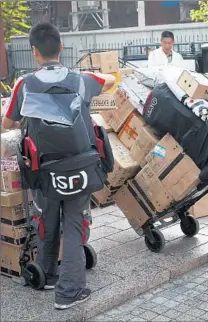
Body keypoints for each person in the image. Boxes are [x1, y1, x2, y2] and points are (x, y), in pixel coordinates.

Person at [2, 22, 115, 309]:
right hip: (81, 166)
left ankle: (48, 274)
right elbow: (110, 79)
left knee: (47, 220)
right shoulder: (81, 80)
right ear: (61, 48)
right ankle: (69, 293)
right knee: (75, 224)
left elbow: (8, 124)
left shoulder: (24, 85)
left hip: (45, 170)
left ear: (34, 52)